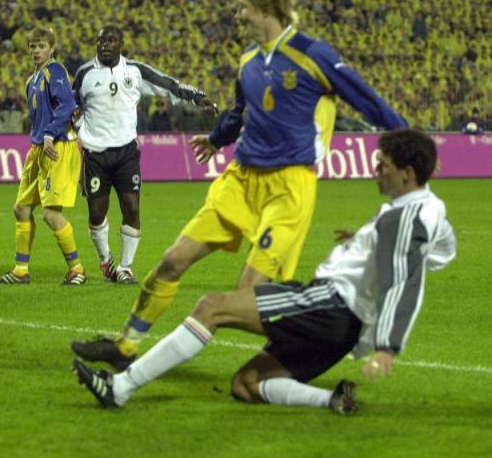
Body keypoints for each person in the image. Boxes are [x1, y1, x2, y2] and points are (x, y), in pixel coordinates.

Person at [72, 0, 407, 370]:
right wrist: (216, 140)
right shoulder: (249, 58)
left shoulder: (313, 54)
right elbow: (240, 111)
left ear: (265, 9)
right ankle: (125, 347)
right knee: (172, 261)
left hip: (288, 187)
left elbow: (367, 100)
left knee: (247, 297)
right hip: (240, 180)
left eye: (243, 7)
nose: (237, 15)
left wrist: (411, 142)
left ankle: (334, 331)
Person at [73, 128, 457, 414]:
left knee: (212, 307)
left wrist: (388, 346)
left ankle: (120, 387)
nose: (375, 172)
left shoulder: (406, 218)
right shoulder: (427, 210)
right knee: (247, 384)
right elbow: (439, 250)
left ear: (407, 173)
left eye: (383, 166)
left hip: (332, 305)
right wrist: (368, 238)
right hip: (342, 329)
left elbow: (403, 280)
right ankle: (333, 400)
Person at [72, 25, 216, 284]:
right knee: (96, 213)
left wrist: (197, 97)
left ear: (121, 44)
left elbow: (168, 85)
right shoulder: (84, 74)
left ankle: (126, 267)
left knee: (132, 207)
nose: (105, 45)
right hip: (95, 154)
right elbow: (71, 108)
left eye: (111, 40)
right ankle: (106, 259)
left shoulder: (135, 71)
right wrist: (80, 128)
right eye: (101, 40)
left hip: (126, 152)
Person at [0, 26, 87, 286]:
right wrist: (40, 138)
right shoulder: (31, 80)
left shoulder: (55, 71)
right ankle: (21, 270)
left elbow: (67, 106)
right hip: (38, 149)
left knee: (50, 214)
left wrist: (49, 134)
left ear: (51, 48)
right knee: (21, 209)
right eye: (32, 46)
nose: (36, 50)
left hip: (57, 147)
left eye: (41, 46)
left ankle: (77, 269)